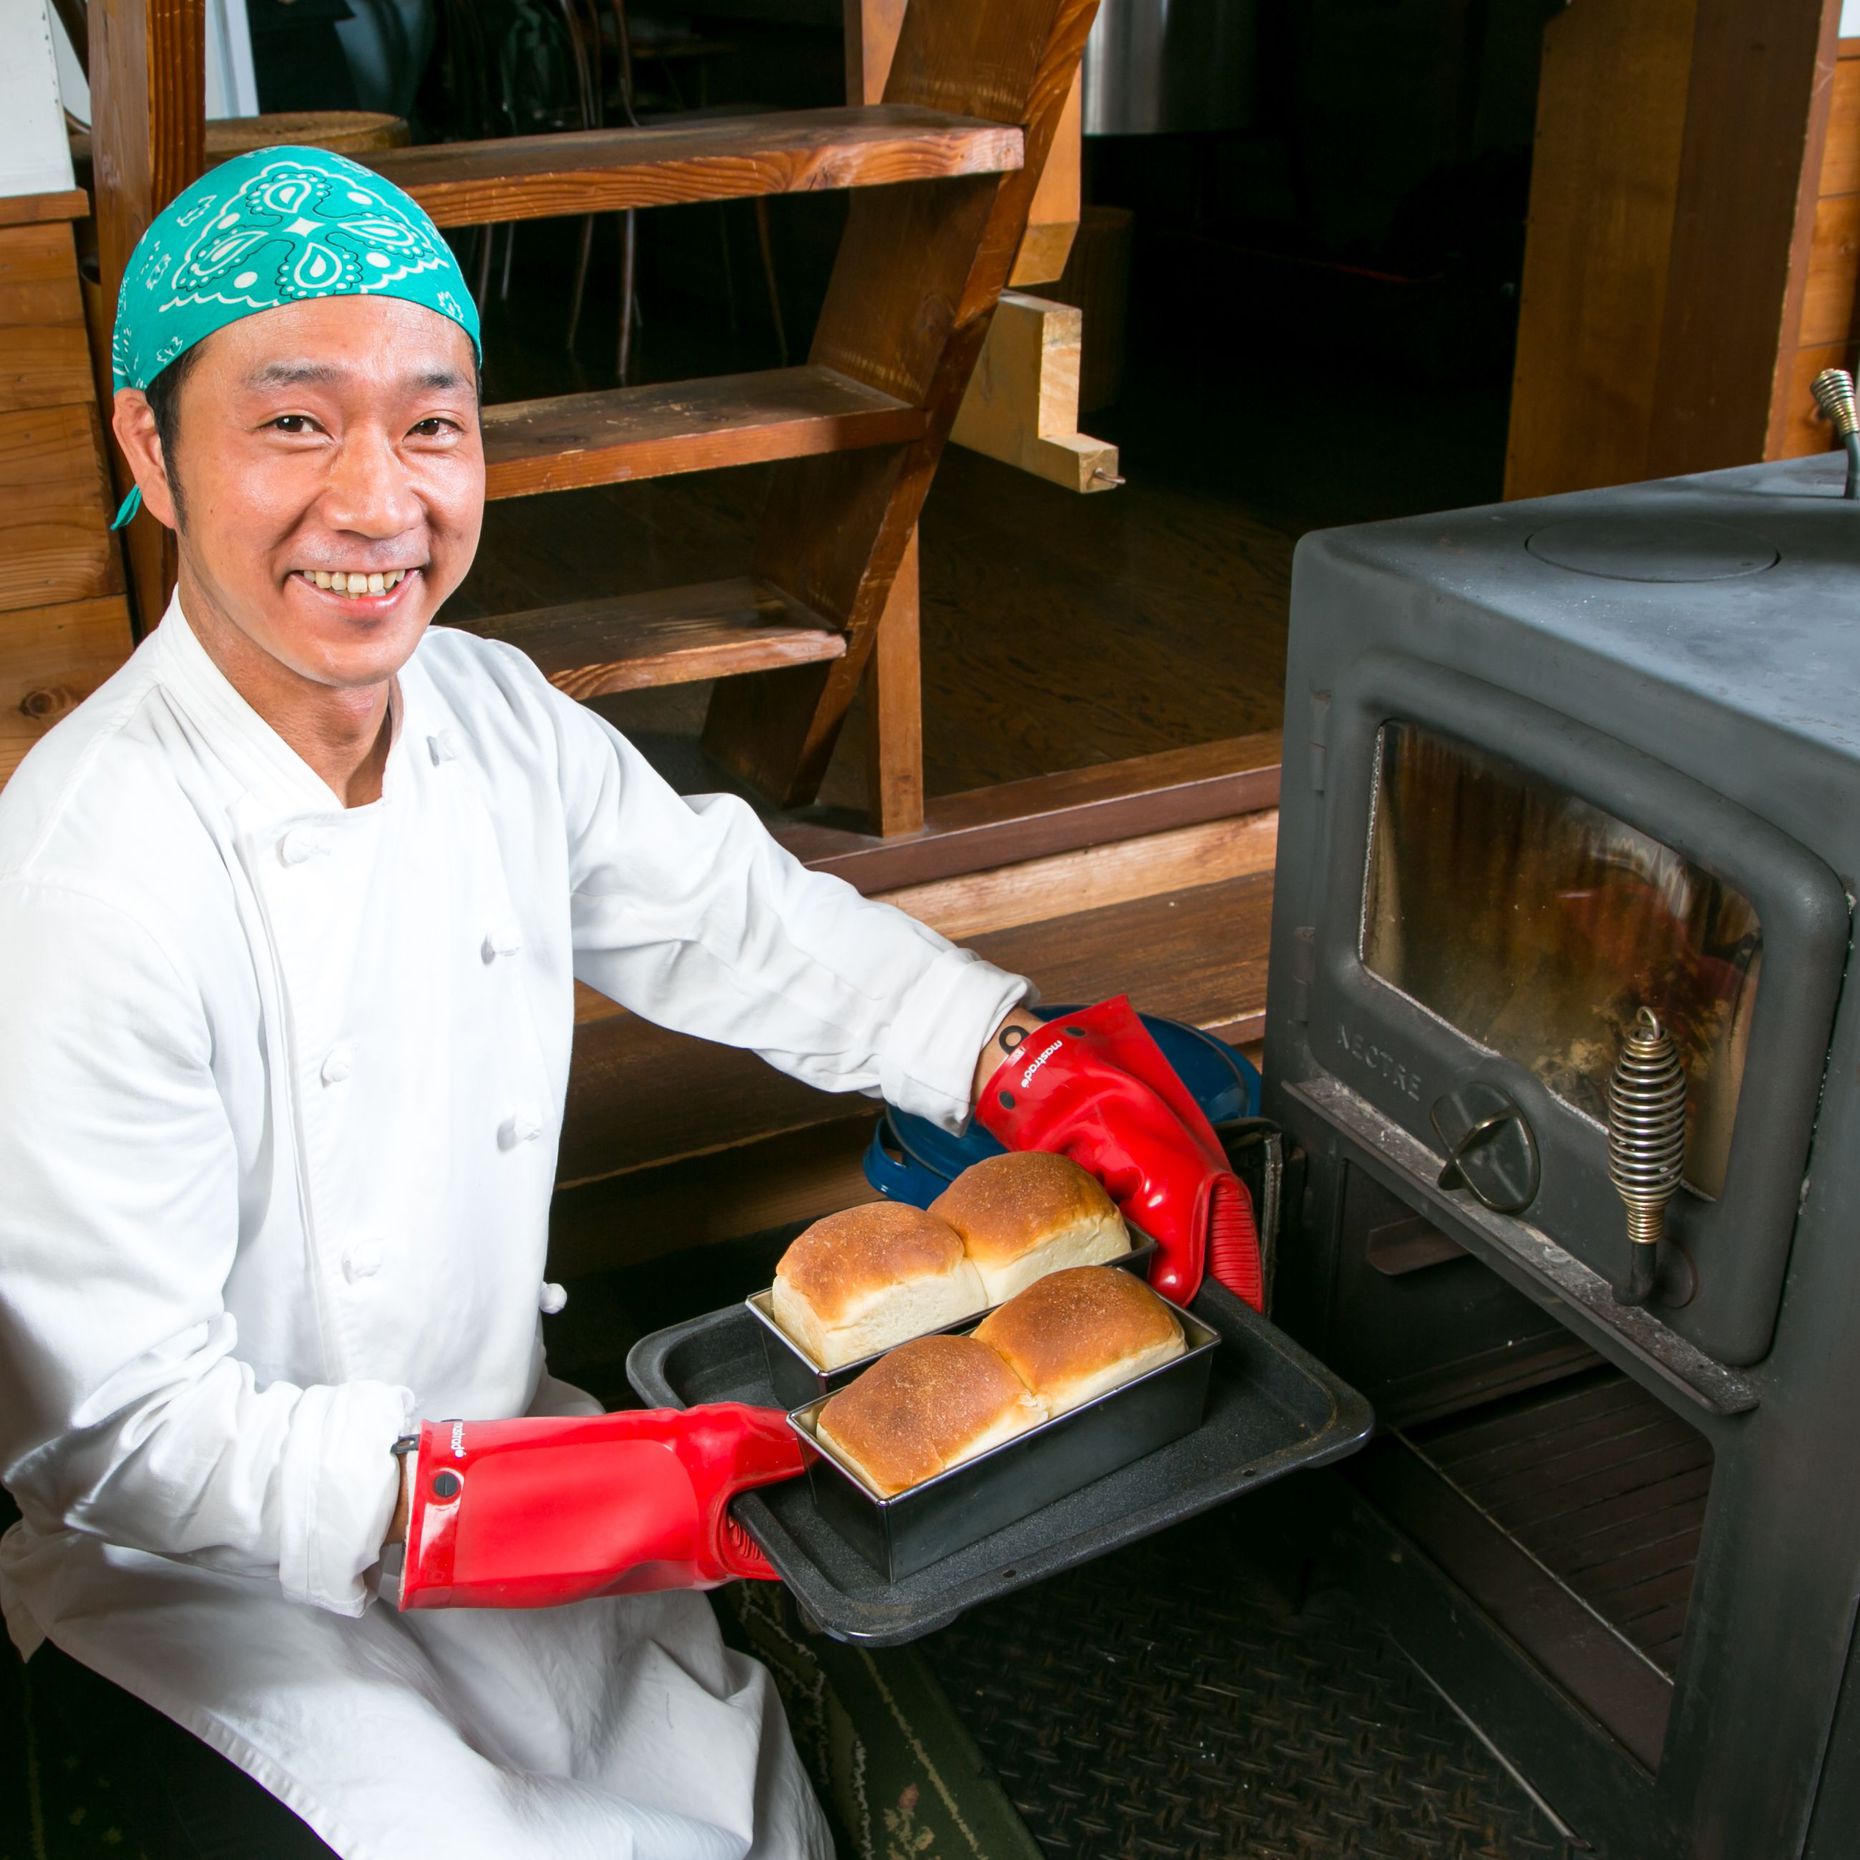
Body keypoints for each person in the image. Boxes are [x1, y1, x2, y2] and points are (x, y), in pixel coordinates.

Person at [0, 148, 1245, 1858]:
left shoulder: (492, 716)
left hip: (533, 1486)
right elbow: (120, 1432)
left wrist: (1016, 1056)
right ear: (150, 444)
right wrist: (519, 1502)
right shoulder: (87, 869)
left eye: (432, 424)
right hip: (221, 1593)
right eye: (293, 423)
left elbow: (747, 926)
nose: (377, 504)